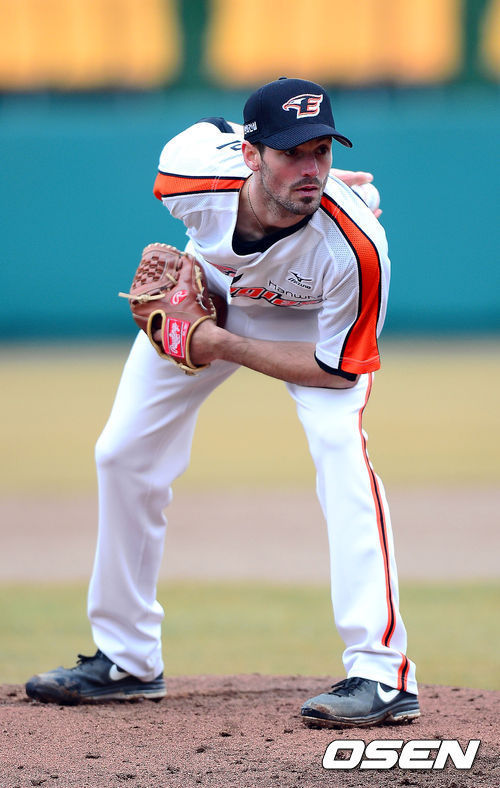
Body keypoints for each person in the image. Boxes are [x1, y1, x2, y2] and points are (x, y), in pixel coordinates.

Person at [26, 77, 419, 727]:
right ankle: (126, 659)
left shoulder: (355, 246)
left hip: (309, 325)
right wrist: (206, 330)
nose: (310, 168)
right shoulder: (190, 174)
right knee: (121, 453)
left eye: (321, 152)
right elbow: (211, 127)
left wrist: (218, 343)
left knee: (342, 455)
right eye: (291, 152)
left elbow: (335, 371)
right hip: (208, 292)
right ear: (250, 154)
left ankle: (382, 674)